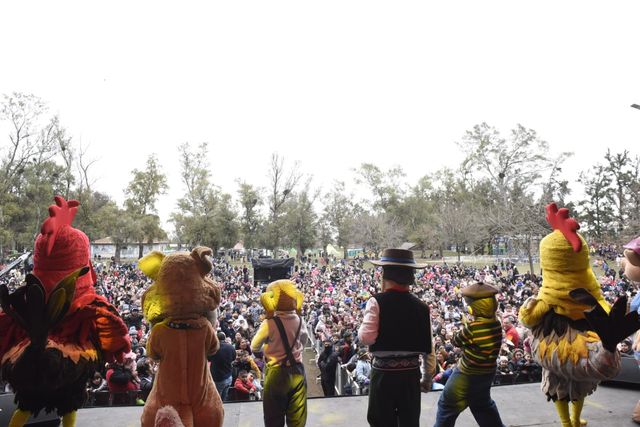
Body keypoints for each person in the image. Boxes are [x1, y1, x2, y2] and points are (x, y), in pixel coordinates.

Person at [358, 248, 435, 427]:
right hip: (411, 375)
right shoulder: (423, 307)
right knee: (410, 420)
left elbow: (366, 338)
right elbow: (428, 347)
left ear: (385, 275)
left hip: (384, 375)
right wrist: (427, 377)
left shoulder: (376, 302)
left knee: (381, 420)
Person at [434, 277, 505, 427]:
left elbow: (455, 341)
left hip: (467, 374)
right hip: (487, 372)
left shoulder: (472, 328)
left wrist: (466, 325)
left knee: (446, 405)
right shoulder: (497, 324)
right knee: (482, 405)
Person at [251, 279, 308, 427]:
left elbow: (254, 346)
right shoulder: (299, 320)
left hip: (276, 372)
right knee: (298, 414)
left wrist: (270, 349)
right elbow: (304, 342)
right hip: (297, 370)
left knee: (273, 415)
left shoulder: (269, 323)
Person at [209, 331, 237, 402]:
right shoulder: (231, 347)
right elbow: (234, 358)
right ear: (224, 338)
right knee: (224, 398)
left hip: (218, 378)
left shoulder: (213, 348)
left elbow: (208, 358)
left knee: (216, 399)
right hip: (228, 376)